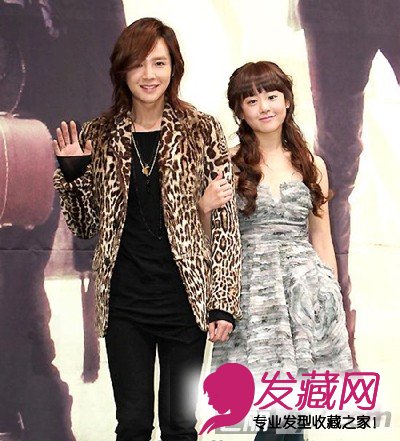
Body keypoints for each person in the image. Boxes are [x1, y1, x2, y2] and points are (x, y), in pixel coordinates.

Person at [52, 17, 242, 441]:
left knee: (180, 425)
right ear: (122, 70)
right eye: (138, 64)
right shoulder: (99, 134)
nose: (149, 74)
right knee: (133, 424)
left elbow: (225, 223)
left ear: (174, 67)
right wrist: (74, 175)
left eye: (159, 63)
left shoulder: (201, 129)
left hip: (185, 300)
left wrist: (223, 303)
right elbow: (84, 226)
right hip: (125, 303)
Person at [198, 61, 353, 440]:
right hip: (252, 296)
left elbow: (321, 238)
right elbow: (211, 241)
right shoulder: (227, 165)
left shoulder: (313, 165)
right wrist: (203, 208)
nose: (264, 107)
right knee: (268, 411)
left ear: (287, 101)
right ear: (239, 110)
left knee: (293, 412)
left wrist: (331, 296)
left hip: (305, 294)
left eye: (271, 96)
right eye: (252, 100)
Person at [288, 0, 400, 368]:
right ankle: (335, 329)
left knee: (335, 165)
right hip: (332, 10)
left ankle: (334, 332)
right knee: (333, 169)